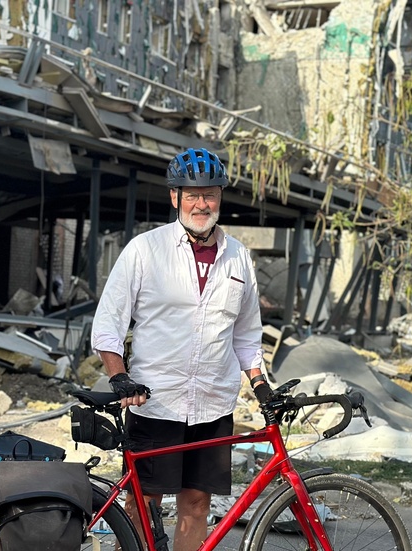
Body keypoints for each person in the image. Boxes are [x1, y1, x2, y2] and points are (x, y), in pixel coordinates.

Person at [91, 147, 273, 551]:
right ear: (175, 197)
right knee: (145, 503)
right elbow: (108, 324)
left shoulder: (239, 258)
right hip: (156, 400)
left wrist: (261, 386)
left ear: (220, 198)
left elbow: (246, 335)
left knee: (196, 503)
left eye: (209, 194)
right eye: (192, 195)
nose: (201, 204)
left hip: (214, 401)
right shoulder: (145, 250)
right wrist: (119, 376)